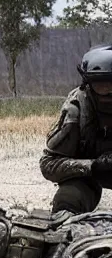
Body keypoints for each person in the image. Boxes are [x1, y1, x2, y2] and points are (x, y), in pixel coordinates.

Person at [40, 44, 112, 214]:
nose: (110, 92)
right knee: (67, 202)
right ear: (88, 84)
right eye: (102, 85)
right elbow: (49, 164)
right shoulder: (77, 109)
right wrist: (92, 166)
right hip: (89, 176)